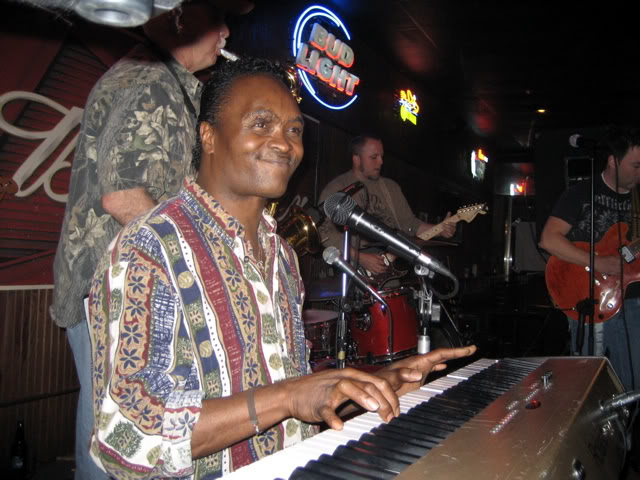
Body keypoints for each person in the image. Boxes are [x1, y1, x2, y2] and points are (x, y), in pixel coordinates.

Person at [86, 56, 477, 479]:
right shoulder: (149, 247)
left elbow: (295, 409)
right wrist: (289, 395)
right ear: (208, 136)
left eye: (294, 130)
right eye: (261, 124)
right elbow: (127, 436)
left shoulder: (283, 257)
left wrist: (378, 383)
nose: (286, 144)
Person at [49, 1, 253, 478]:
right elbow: (123, 197)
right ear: (180, 16)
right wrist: (201, 266)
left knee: (124, 439)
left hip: (126, 288)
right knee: (114, 448)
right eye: (217, 16)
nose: (226, 30)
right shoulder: (151, 82)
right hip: (114, 290)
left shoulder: (166, 83)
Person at [539, 126, 640, 392]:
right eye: (635, 166)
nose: (639, 173)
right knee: (587, 385)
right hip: (587, 295)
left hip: (633, 299)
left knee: (632, 386)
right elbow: (548, 240)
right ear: (613, 160)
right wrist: (596, 262)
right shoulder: (582, 193)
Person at [317, 134, 458, 277]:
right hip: (353, 271)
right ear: (356, 159)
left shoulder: (390, 188)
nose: (381, 162)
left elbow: (411, 225)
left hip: (389, 268)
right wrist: (359, 257)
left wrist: (440, 229)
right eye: (374, 157)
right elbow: (324, 232)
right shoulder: (338, 188)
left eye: (381, 156)